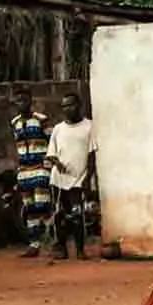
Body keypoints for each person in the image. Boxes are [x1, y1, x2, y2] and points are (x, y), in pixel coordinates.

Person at [46, 93, 97, 260]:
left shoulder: (89, 127)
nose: (68, 109)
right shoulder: (58, 129)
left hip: (78, 180)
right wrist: (57, 163)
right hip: (58, 180)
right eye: (65, 106)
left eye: (71, 105)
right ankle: (60, 247)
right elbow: (51, 154)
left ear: (79, 105)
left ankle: (80, 249)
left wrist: (87, 178)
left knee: (77, 216)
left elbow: (91, 156)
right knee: (59, 214)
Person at [10, 88, 52, 258]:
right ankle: (34, 244)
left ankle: (50, 241)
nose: (22, 103)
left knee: (44, 205)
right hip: (24, 171)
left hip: (40, 168)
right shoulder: (15, 123)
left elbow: (51, 141)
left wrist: (49, 165)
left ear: (30, 101)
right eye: (18, 100)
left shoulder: (41, 120)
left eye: (24, 100)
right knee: (30, 208)